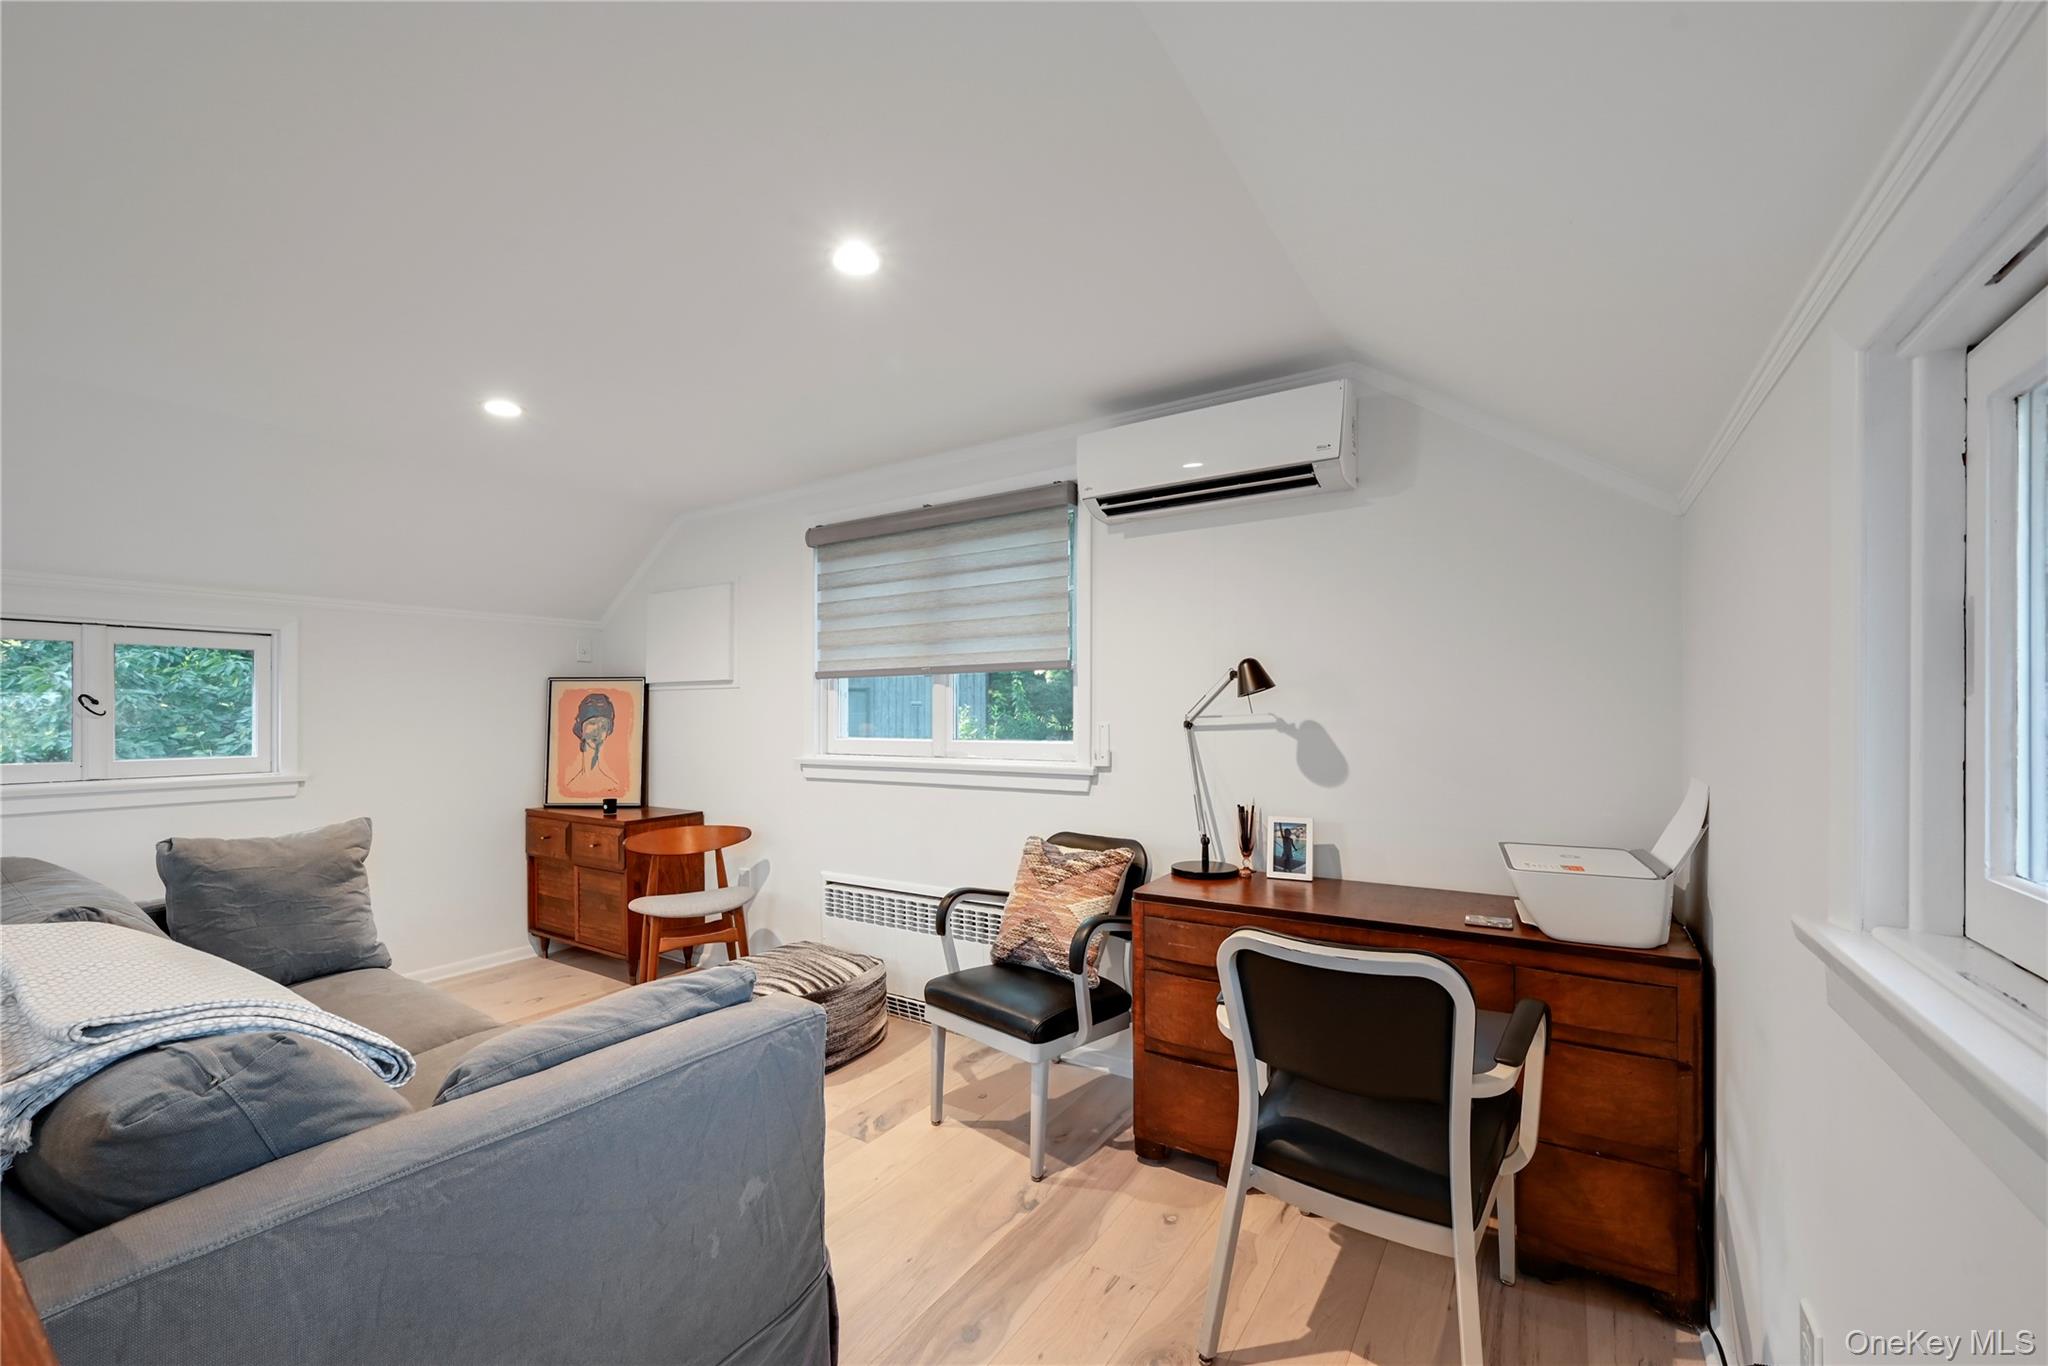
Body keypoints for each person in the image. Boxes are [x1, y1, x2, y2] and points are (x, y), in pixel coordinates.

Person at [559, 691, 623, 797]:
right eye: (592, 723)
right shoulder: (569, 787)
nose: (597, 732)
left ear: (608, 731)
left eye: (603, 726)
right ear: (581, 727)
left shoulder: (612, 787)